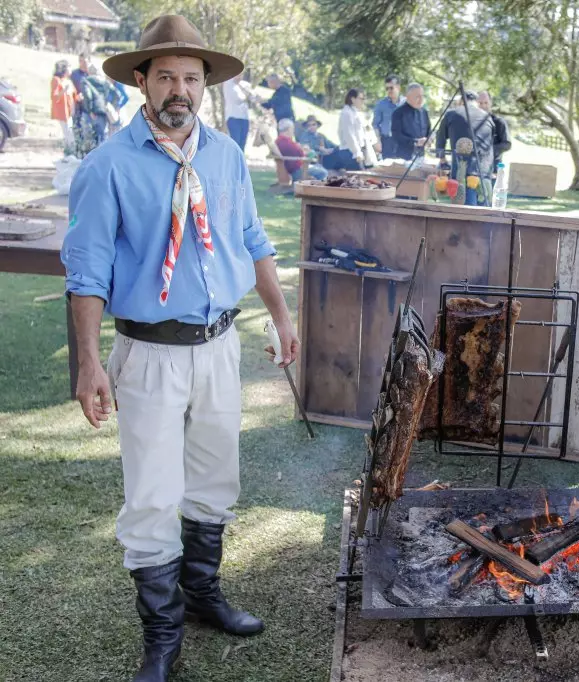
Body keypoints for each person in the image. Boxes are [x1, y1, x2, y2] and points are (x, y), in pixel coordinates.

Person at [63, 15, 299, 682]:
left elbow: (253, 241)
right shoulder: (105, 167)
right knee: (152, 494)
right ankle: (162, 635)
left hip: (219, 346)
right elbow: (85, 274)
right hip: (148, 355)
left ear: (205, 87)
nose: (179, 88)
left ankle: (202, 597)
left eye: (191, 78)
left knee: (215, 479)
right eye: (165, 74)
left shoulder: (224, 156)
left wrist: (281, 318)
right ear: (141, 81)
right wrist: (86, 362)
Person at [435, 90, 494, 195]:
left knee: (464, 202)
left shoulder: (451, 114)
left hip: (462, 167)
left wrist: (442, 160)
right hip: (485, 167)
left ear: (461, 101)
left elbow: (440, 138)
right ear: (476, 102)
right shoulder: (487, 116)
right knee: (483, 202)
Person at [338, 87, 379, 170]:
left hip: (360, 150)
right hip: (350, 152)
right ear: (353, 99)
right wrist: (357, 153)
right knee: (356, 178)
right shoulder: (347, 113)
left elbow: (366, 131)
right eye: (361, 98)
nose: (363, 101)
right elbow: (349, 135)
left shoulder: (356, 113)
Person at [391, 83, 430, 161]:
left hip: (421, 155)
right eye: (417, 97)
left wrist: (429, 139)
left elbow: (429, 130)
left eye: (422, 96)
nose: (421, 99)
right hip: (403, 157)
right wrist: (415, 142)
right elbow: (396, 136)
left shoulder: (424, 112)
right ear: (408, 97)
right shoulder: (398, 113)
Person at [477, 90, 511, 174]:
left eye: (486, 103)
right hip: (474, 168)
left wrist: (488, 151)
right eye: (480, 103)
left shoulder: (499, 122)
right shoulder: (471, 122)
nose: (483, 106)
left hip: (493, 168)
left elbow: (507, 144)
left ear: (490, 103)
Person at [372, 74, 403, 159]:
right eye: (387, 88)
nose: (389, 90)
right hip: (387, 142)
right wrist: (377, 141)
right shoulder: (381, 104)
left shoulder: (407, 104)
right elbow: (375, 125)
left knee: (403, 169)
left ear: (398, 87)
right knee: (388, 168)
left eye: (391, 88)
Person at [223, 73, 253, 151]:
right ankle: (233, 162)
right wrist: (246, 96)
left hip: (245, 118)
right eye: (237, 74)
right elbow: (236, 99)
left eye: (241, 74)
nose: (239, 76)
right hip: (233, 117)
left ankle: (240, 162)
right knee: (235, 142)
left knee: (242, 143)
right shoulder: (228, 83)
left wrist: (242, 87)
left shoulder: (245, 84)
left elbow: (252, 98)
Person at [51, 60, 76, 151]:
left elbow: (74, 95)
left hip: (71, 111)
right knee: (68, 133)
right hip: (63, 112)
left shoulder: (69, 81)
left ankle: (69, 151)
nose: (71, 69)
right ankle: (70, 152)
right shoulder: (56, 80)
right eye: (69, 67)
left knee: (69, 133)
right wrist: (63, 91)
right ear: (64, 69)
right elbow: (54, 97)